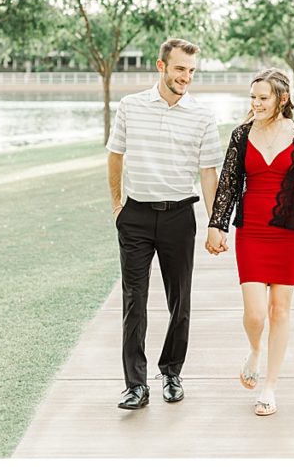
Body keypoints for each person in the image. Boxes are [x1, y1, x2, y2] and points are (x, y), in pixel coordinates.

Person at [205, 68, 294, 417]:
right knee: (254, 314)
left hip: (288, 232)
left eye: (263, 98)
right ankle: (255, 350)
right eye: (252, 98)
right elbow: (228, 185)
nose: (256, 103)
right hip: (251, 231)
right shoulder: (241, 135)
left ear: (281, 99)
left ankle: (269, 386)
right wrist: (217, 225)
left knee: (279, 310)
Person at [106, 38, 222, 409]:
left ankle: (171, 372)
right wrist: (117, 206)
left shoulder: (202, 116)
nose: (186, 77)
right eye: (179, 69)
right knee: (133, 302)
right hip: (136, 216)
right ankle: (135, 385)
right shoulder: (131, 106)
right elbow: (115, 154)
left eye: (190, 71)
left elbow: (208, 173)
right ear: (161, 66)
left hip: (178, 217)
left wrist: (214, 223)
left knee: (180, 302)